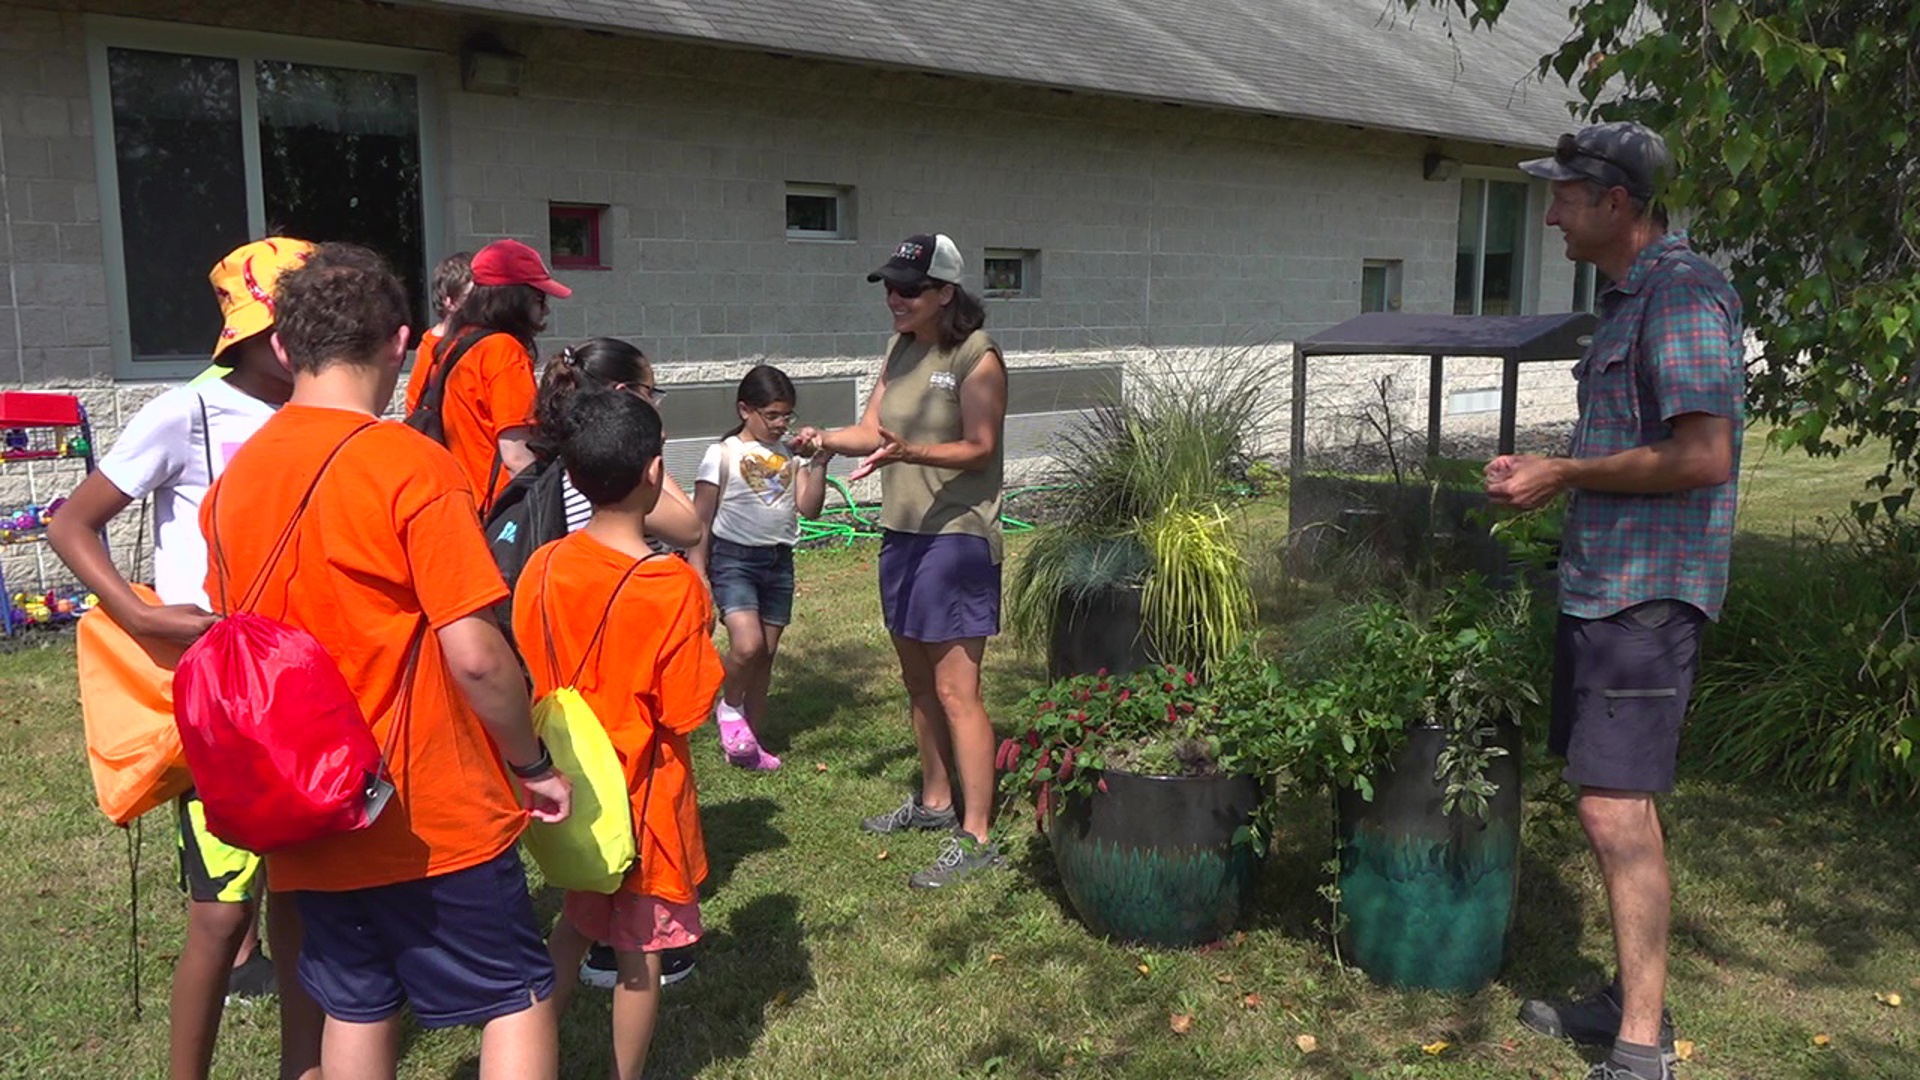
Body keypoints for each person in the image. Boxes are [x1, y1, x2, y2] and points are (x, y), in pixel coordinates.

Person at [203, 242, 572, 1080]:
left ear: (287, 347)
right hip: (429, 810)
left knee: (355, 1005)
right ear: (401, 344)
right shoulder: (413, 464)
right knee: (514, 996)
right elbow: (476, 656)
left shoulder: (238, 479)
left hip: (310, 805)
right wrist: (534, 763)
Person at [1489, 122, 1744, 1080]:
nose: (1548, 212)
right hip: (1607, 589)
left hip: (1647, 599)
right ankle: (1632, 1003)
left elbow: (1703, 452)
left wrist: (1566, 472)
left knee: (1612, 808)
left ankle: (1641, 1047)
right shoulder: (1630, 298)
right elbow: (1638, 446)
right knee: (1613, 801)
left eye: (1563, 196)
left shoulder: (1679, 293)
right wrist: (1555, 473)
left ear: (1618, 205)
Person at [50, 237, 326, 1080]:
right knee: (219, 913)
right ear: (251, 333)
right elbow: (71, 521)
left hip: (308, 683)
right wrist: (136, 610)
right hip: (221, 695)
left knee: (306, 903)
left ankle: (304, 1066)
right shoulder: (189, 413)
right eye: (287, 324)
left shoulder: (331, 419)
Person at [514, 386, 724, 1080]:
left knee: (575, 923)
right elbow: (688, 709)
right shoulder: (671, 587)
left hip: (567, 794)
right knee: (640, 956)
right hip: (642, 802)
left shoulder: (541, 564)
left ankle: (527, 1047)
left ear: (573, 476)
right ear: (655, 473)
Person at [791, 233, 1008, 889]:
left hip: (958, 537)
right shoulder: (902, 348)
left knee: (955, 690)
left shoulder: (978, 356)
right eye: (889, 286)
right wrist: (824, 439)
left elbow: (980, 446)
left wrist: (910, 453)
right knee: (918, 683)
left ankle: (977, 836)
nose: (895, 297)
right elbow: (873, 432)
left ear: (946, 292)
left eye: (909, 288)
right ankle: (936, 803)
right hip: (904, 532)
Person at [690, 364, 832, 772]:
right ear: (744, 410)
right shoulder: (722, 454)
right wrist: (697, 568)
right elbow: (701, 517)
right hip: (734, 560)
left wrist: (818, 462)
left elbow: (810, 508)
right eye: (771, 415)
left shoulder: (788, 454)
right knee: (747, 645)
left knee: (766, 653)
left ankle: (749, 740)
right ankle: (729, 707)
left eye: (787, 415)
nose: (780, 424)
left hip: (778, 561)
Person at [434, 238, 570, 515]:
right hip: (502, 511)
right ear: (514, 299)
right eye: (539, 299)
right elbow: (517, 456)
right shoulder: (504, 351)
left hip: (464, 504)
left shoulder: (456, 344)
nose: (545, 310)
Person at [530, 339, 704, 550]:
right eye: (649, 392)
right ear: (624, 394)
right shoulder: (613, 469)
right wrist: (648, 445)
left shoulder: (574, 458)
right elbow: (690, 529)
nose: (656, 403)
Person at [404, 250, 473, 415]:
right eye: (471, 297)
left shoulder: (481, 339)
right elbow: (414, 406)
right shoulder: (431, 345)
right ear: (449, 301)